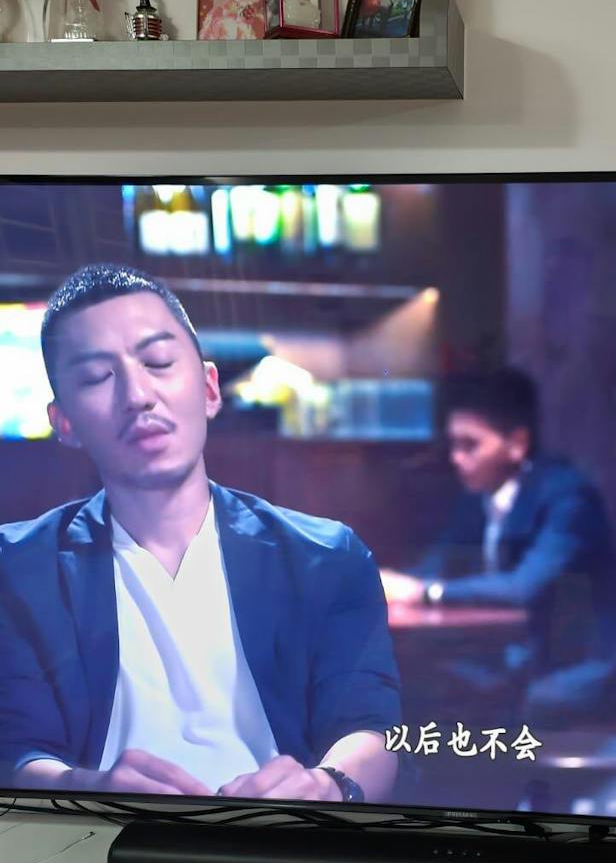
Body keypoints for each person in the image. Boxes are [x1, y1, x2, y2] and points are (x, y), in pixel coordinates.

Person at [0, 265, 400, 802]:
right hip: (99, 837)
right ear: (64, 422)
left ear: (210, 389)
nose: (138, 395)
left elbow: (372, 728)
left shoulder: (324, 557)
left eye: (158, 362)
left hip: (284, 836)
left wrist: (327, 787)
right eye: (97, 377)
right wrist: (88, 788)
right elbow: (17, 749)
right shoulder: (18, 568)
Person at [380, 368, 616, 725]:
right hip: (511, 656)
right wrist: (386, 584)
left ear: (517, 444)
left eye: (470, 445)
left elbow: (523, 588)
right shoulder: (478, 496)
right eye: (453, 445)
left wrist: (426, 592)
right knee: (407, 685)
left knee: (444, 700)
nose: (456, 458)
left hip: (572, 667)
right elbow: (436, 566)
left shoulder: (568, 497)